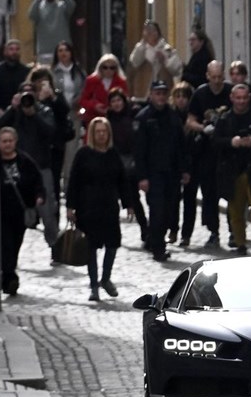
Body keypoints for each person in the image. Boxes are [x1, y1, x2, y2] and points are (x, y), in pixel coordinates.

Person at [66, 117, 131, 302]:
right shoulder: (83, 154)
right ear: (92, 134)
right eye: (98, 132)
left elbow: (122, 181)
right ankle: (94, 285)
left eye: (104, 131)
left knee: (112, 245)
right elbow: (74, 182)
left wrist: (129, 204)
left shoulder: (113, 154)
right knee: (91, 248)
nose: (101, 135)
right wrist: (70, 207)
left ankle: (106, 278)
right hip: (87, 207)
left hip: (109, 206)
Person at [134, 80, 191, 262]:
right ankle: (158, 247)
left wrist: (185, 170)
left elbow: (181, 145)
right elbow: (139, 150)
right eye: (157, 93)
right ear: (151, 94)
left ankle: (155, 238)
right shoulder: (143, 118)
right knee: (157, 211)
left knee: (168, 211)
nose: (160, 97)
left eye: (163, 93)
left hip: (172, 172)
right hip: (153, 173)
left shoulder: (173, 117)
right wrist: (142, 177)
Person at [0, 82, 60, 246]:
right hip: (19, 166)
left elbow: (51, 133)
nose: (27, 98)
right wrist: (13, 108)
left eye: (30, 95)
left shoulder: (44, 111)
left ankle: (54, 245)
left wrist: (34, 114)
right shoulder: (14, 113)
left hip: (41, 166)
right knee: (16, 211)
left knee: (47, 210)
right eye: (24, 94)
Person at [213, 84, 251, 255]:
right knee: (235, 211)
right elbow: (215, 142)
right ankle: (240, 244)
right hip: (232, 171)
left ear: (249, 98)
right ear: (232, 98)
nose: (241, 101)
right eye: (238, 98)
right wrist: (232, 142)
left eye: (244, 98)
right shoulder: (224, 119)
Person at [185, 61, 232, 249]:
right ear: (207, 76)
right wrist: (203, 128)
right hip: (206, 151)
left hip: (228, 151)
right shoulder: (200, 94)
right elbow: (190, 121)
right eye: (214, 77)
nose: (217, 81)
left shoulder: (231, 92)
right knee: (209, 193)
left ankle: (234, 231)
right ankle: (214, 231)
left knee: (230, 192)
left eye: (220, 77)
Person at [0, 126, 44, 296]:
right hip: (1, 213)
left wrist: (39, 196)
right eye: (4, 141)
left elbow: (37, 181)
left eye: (10, 141)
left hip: (19, 213)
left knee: (15, 245)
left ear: (15, 142)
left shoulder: (25, 162)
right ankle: (10, 279)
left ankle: (8, 276)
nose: (7, 144)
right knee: (6, 245)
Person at [27, 66, 76, 208]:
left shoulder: (56, 96)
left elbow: (64, 112)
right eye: (39, 82)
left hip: (55, 145)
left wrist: (53, 97)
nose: (42, 85)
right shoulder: (30, 98)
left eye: (45, 81)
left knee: (54, 182)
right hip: (35, 145)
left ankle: (54, 214)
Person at [105, 88, 147, 245]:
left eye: (119, 100)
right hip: (117, 161)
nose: (116, 104)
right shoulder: (108, 119)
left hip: (134, 159)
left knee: (134, 198)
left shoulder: (134, 114)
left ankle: (145, 228)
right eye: (113, 101)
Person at [51, 41, 86, 197]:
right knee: (59, 150)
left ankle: (68, 184)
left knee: (72, 149)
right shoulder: (52, 72)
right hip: (57, 115)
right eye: (60, 50)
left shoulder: (79, 72)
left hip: (73, 114)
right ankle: (56, 183)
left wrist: (78, 101)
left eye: (66, 50)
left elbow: (84, 89)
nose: (63, 53)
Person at [169, 81, 199, 246]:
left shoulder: (193, 116)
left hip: (191, 162)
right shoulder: (170, 115)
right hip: (174, 163)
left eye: (184, 97)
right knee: (173, 200)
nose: (181, 100)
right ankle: (173, 230)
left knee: (190, 199)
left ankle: (186, 234)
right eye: (178, 96)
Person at [127, 20, 182, 101]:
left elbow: (176, 70)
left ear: (158, 32)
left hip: (163, 91)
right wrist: (142, 44)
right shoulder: (140, 48)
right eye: (147, 31)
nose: (150, 33)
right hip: (144, 92)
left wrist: (165, 61)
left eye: (153, 30)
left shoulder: (167, 49)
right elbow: (134, 62)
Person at [27, 0, 76, 64]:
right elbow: (31, 15)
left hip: (63, 51)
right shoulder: (39, 7)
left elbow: (72, 5)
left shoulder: (62, 6)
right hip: (44, 53)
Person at [78, 54, 128, 128]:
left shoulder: (121, 82)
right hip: (94, 118)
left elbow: (125, 100)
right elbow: (83, 100)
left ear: (116, 69)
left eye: (112, 68)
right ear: (100, 68)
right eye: (105, 67)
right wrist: (94, 105)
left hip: (115, 119)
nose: (108, 70)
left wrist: (113, 107)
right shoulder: (91, 81)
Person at [0, 39, 30, 114]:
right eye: (11, 49)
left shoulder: (27, 71)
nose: (14, 52)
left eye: (17, 49)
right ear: (5, 52)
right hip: (3, 112)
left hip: (22, 112)